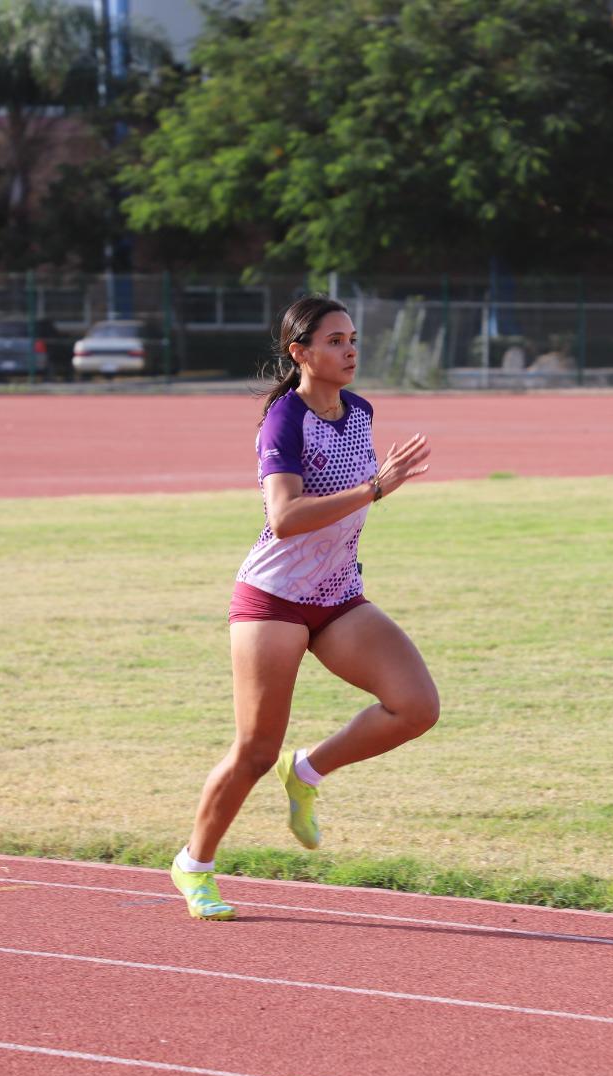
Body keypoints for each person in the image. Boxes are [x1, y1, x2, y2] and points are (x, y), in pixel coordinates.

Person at [170, 295, 440, 920]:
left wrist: (374, 490)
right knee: (254, 751)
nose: (349, 351)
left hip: (338, 595)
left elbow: (346, 501)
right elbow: (285, 518)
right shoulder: (283, 421)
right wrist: (376, 487)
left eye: (353, 339)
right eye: (335, 341)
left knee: (416, 706)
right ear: (300, 352)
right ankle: (195, 865)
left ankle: (309, 771)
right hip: (273, 600)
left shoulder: (361, 411)